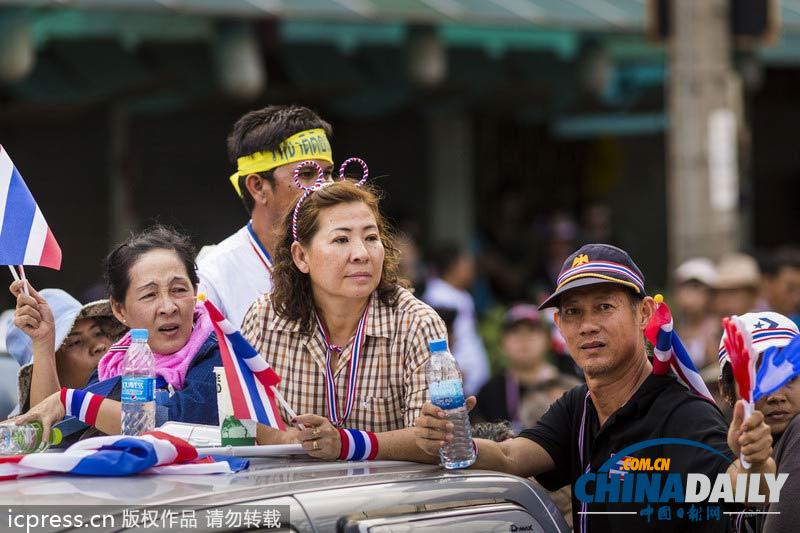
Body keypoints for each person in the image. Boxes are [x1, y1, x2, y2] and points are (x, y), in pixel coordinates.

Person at [414, 244, 776, 532]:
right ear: (558, 323)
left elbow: (750, 495)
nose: (587, 326)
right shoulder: (580, 406)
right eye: (573, 313)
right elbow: (510, 457)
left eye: (604, 307)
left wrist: (756, 462)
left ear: (645, 313)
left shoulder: (683, 416)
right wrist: (451, 437)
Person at [242, 171, 447, 461]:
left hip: (389, 500)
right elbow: (236, 421)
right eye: (341, 240)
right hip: (293, 496)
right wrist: (287, 438)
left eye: (371, 237)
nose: (361, 253)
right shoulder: (265, 318)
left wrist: (346, 444)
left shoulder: (416, 324)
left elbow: (433, 442)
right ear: (301, 257)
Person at [9, 226, 222, 440]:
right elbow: (60, 431)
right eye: (150, 295)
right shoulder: (116, 361)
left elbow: (174, 422)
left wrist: (72, 402)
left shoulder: (216, 352)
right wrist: (44, 342)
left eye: (178, 290)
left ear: (195, 293)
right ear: (120, 310)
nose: (168, 306)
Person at [198, 105, 335, 327]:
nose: (325, 188)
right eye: (307, 175)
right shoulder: (214, 278)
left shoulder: (350, 258)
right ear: (258, 187)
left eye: (328, 174)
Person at [717, 312, 799, 533]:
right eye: (758, 380)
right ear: (725, 390)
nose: (776, 395)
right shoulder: (712, 450)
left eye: (790, 377)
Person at [5, 287, 126, 414]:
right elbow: (44, 422)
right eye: (76, 342)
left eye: (98, 333)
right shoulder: (18, 433)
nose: (99, 346)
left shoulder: (135, 393)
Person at [472, 303, 579, 432]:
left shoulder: (570, 387)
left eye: (531, 331)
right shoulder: (489, 392)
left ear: (547, 339)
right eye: (515, 332)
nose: (524, 339)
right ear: (502, 343)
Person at [422, 242, 489, 396]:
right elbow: (439, 343)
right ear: (453, 266)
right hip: (453, 386)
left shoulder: (462, 295)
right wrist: (451, 373)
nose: (472, 269)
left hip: (473, 384)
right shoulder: (436, 297)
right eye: (467, 263)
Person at [673, 258, 720, 369]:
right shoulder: (672, 326)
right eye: (685, 288)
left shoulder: (718, 328)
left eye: (696, 288)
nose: (689, 294)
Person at [758, 246, 800, 326]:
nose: (797, 298)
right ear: (767, 282)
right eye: (791, 288)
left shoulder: (796, 320)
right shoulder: (748, 321)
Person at [713, 252, 761, 318]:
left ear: (752, 295)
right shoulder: (715, 324)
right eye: (717, 294)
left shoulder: (771, 325)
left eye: (731, 293)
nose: (721, 303)